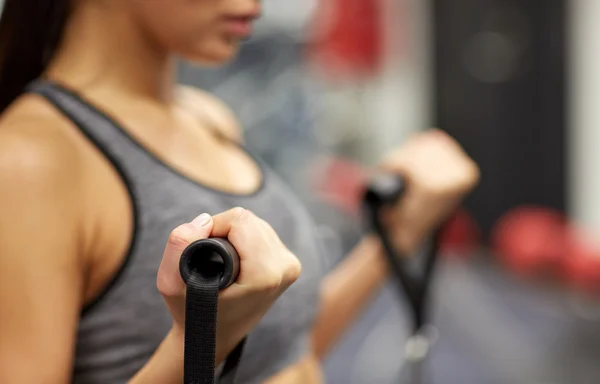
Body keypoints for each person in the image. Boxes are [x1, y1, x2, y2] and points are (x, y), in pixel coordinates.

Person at [0, 1, 480, 383]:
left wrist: (396, 237)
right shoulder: (29, 160)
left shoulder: (207, 117)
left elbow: (284, 350)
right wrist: (198, 343)